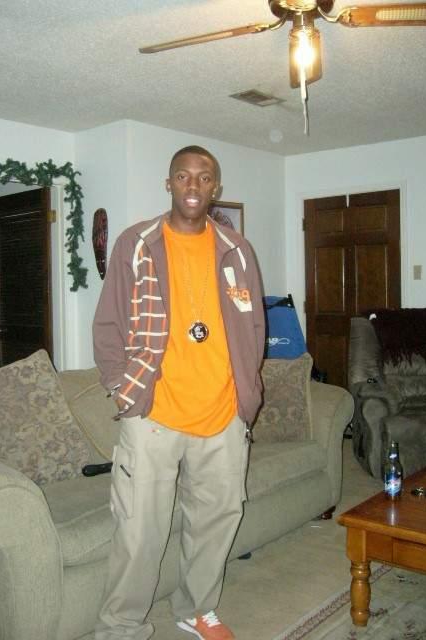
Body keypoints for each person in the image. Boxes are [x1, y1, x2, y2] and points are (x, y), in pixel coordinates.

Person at [93, 145, 265, 640]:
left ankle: (197, 609)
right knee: (139, 531)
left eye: (204, 177)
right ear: (168, 184)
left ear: (216, 188)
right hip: (154, 415)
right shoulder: (136, 244)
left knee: (216, 520)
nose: (193, 185)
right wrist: (121, 388)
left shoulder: (237, 250)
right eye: (183, 176)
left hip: (222, 414)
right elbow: (108, 323)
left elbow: (253, 324)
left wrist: (246, 395)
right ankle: (121, 627)